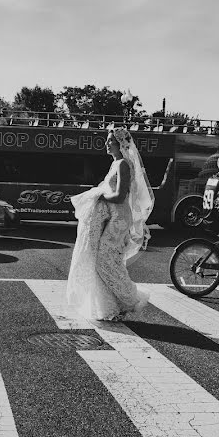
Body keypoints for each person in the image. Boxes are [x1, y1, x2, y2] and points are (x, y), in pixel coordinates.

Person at [66, 127, 154, 320]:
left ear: (120, 144)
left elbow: (120, 195)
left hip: (119, 218)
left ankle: (130, 298)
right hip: (113, 217)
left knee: (105, 260)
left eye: (110, 141)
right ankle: (116, 303)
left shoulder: (123, 164)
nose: (106, 144)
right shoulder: (116, 163)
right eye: (107, 141)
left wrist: (99, 194)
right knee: (107, 260)